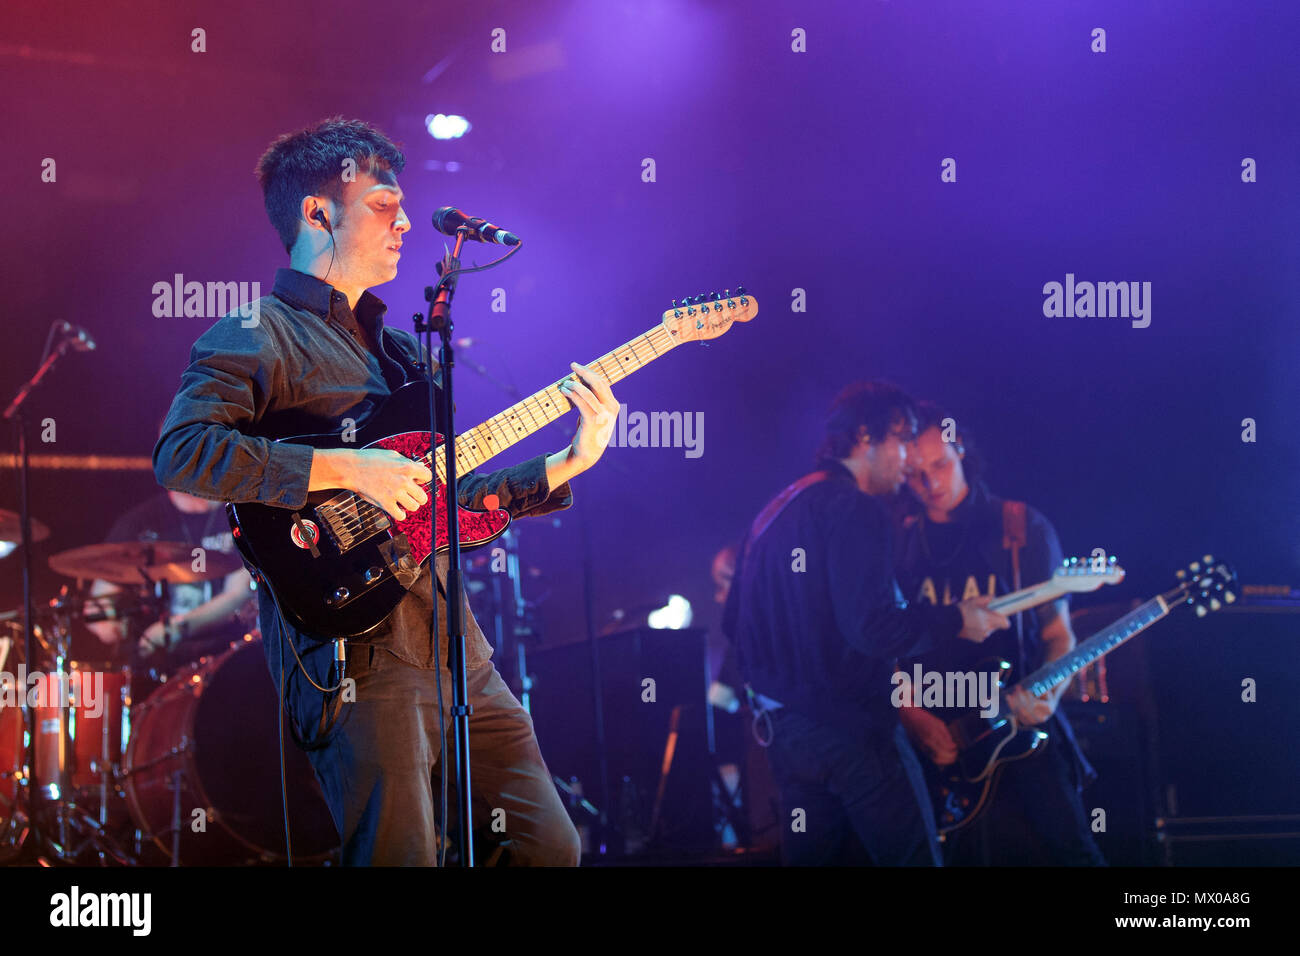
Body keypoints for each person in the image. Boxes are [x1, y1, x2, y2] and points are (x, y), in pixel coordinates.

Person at [152, 117, 620, 865]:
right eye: (383, 204)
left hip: (455, 644)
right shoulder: (254, 331)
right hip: (354, 655)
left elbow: (450, 494)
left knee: (550, 847)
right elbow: (182, 453)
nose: (406, 222)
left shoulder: (404, 348)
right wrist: (346, 467)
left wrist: (568, 460)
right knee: (400, 854)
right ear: (316, 212)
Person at [722, 381, 1008, 865]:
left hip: (785, 739)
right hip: (854, 734)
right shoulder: (855, 509)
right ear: (862, 437)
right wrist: (958, 619)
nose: (909, 461)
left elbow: (734, 626)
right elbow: (874, 629)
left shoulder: (774, 510)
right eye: (901, 440)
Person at [894, 401, 1105, 865]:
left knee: (1070, 853)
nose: (930, 484)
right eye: (914, 474)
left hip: (1018, 725)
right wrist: (915, 719)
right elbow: (882, 651)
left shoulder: (1020, 527)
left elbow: (1058, 634)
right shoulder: (899, 542)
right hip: (935, 737)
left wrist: (1050, 690)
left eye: (941, 465)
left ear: (961, 451)